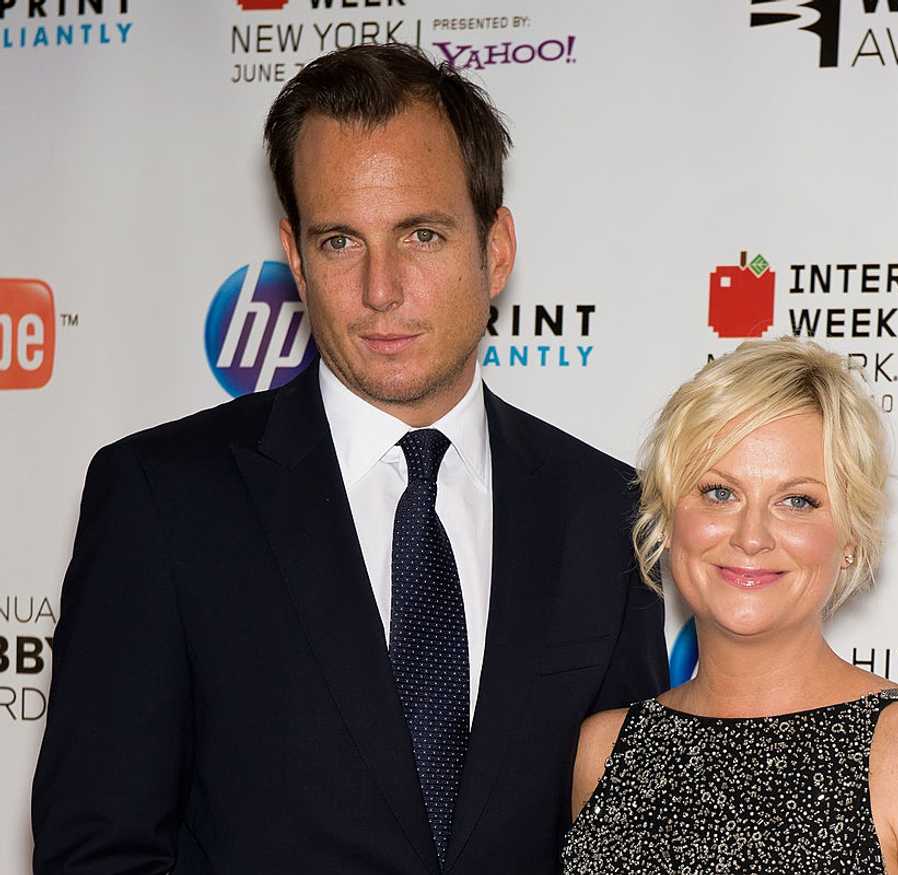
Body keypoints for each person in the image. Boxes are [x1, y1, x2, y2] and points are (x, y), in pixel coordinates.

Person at [32, 44, 667, 875]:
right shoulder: (162, 500)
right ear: (295, 256)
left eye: (423, 234)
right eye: (340, 241)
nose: (380, 288)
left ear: (497, 247)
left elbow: (629, 847)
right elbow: (97, 852)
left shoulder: (605, 513)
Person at [562, 338, 898, 874]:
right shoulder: (605, 750)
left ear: (850, 536)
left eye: (797, 501)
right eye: (718, 492)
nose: (751, 535)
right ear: (667, 518)